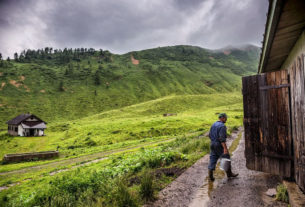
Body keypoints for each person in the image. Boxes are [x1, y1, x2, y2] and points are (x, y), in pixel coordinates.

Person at [208, 113, 238, 181]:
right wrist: (225, 148)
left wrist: (213, 141)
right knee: (226, 157)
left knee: (213, 158)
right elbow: (222, 139)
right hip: (219, 144)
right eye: (225, 118)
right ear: (222, 118)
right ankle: (229, 174)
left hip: (212, 143)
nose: (226, 119)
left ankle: (210, 176)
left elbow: (209, 135)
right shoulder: (222, 126)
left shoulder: (213, 124)